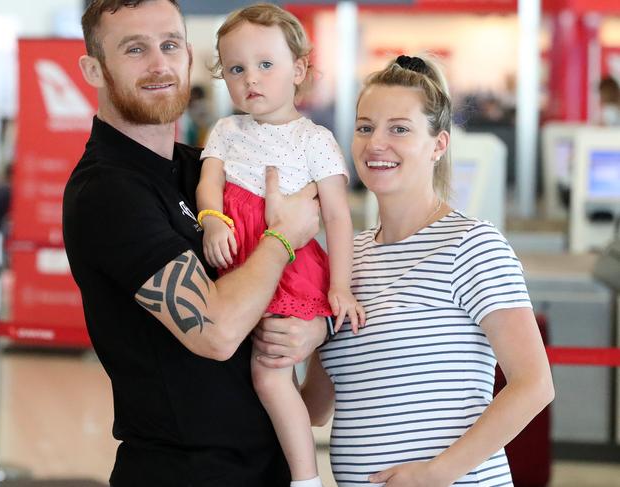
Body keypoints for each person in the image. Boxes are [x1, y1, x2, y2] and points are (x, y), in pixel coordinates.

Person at [62, 1, 328, 486]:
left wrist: (312, 330)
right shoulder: (108, 190)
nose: (159, 65)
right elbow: (217, 332)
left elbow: (293, 280)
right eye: (135, 49)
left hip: (266, 466)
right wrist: (281, 239)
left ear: (188, 55)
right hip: (185, 472)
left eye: (169, 45)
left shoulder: (201, 168)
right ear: (94, 69)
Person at [299, 55, 555, 486]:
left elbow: (534, 384)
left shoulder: (471, 244)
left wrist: (437, 473)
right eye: (365, 127)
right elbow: (317, 406)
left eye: (399, 128)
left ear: (438, 143)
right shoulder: (345, 259)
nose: (375, 142)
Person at [196, 5, 365, 487]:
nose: (251, 78)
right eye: (236, 68)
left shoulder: (316, 140)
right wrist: (211, 221)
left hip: (290, 266)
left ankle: (306, 477)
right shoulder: (226, 132)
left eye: (265, 64)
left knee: (269, 372)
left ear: (299, 69)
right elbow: (209, 185)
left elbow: (336, 216)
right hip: (239, 265)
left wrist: (341, 288)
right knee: (253, 376)